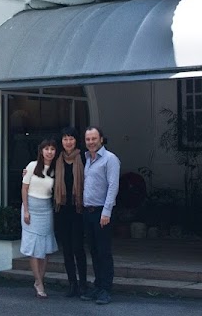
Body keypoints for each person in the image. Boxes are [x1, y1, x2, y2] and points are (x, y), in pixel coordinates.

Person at [80, 125, 119, 305]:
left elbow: (113, 186)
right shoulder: (88, 159)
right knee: (94, 251)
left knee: (104, 252)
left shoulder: (110, 159)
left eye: (94, 139)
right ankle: (98, 285)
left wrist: (106, 212)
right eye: (88, 139)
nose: (91, 142)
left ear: (101, 139)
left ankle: (106, 289)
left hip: (102, 212)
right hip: (88, 212)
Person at [21, 139, 59, 298]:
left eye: (52, 149)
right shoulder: (32, 166)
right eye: (46, 149)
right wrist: (26, 210)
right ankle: (38, 281)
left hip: (46, 209)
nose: (49, 152)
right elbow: (24, 188)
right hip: (31, 208)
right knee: (34, 247)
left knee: (45, 248)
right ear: (41, 151)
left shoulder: (57, 169)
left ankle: (40, 280)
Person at [52, 127, 88, 298]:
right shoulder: (56, 159)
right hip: (62, 209)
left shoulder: (84, 158)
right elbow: (41, 169)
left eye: (71, 139)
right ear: (61, 141)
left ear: (76, 140)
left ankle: (83, 284)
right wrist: (26, 172)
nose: (68, 142)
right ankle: (72, 283)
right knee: (66, 248)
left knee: (78, 247)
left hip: (78, 209)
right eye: (65, 139)